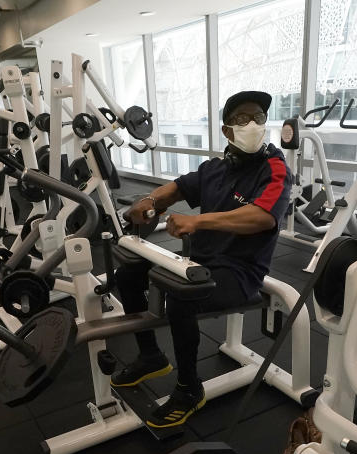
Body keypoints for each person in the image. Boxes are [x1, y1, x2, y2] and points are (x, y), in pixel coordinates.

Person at [113, 90, 292, 430]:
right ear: (227, 131)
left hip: (240, 272)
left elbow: (263, 217)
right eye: (242, 119)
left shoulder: (274, 168)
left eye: (258, 118)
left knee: (182, 298)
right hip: (199, 263)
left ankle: (189, 389)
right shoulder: (215, 169)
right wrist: (151, 199)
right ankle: (151, 356)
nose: (253, 124)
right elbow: (178, 188)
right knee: (129, 272)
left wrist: (197, 221)